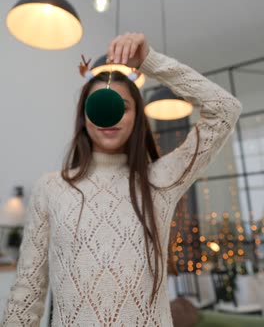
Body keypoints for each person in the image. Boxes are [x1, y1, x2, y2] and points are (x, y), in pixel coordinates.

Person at [2, 32, 242, 326]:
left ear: (137, 116)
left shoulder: (162, 180)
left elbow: (225, 110)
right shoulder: (51, 187)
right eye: (99, 106)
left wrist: (150, 62)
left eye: (122, 107)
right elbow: (27, 291)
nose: (109, 116)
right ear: (85, 116)